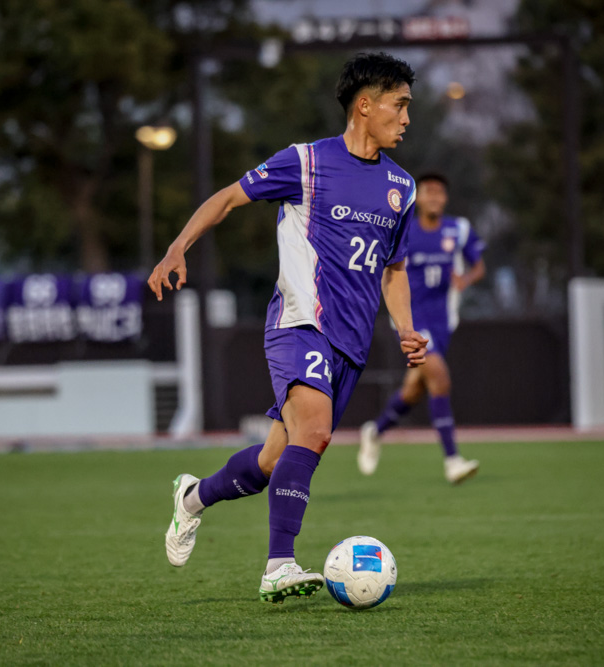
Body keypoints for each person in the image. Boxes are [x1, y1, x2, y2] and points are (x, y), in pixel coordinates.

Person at [148, 52, 427, 604]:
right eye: (399, 105)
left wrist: (405, 328)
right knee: (315, 430)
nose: (406, 118)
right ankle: (279, 565)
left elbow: (393, 269)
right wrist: (178, 246)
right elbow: (228, 198)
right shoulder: (306, 162)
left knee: (273, 461)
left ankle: (192, 497)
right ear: (364, 106)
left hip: (350, 344)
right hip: (299, 322)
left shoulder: (402, 186)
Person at [357, 173, 486, 484]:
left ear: (446, 198)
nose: (434, 197)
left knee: (414, 391)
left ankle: (375, 431)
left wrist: (466, 279)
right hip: (412, 322)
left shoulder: (458, 229)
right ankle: (452, 460)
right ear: (418, 198)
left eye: (440, 192)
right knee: (439, 377)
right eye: (428, 191)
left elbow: (479, 266)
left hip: (443, 322)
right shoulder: (404, 229)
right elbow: (387, 271)